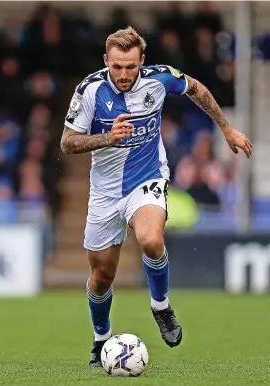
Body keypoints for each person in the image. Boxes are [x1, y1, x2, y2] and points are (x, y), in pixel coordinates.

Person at [60, 26, 252, 367]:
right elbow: (67, 142)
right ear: (106, 61)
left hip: (147, 177)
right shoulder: (89, 90)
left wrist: (226, 128)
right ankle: (101, 338)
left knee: (151, 239)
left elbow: (197, 89)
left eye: (130, 66)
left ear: (142, 61)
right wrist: (106, 139)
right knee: (102, 277)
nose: (123, 74)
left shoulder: (159, 79)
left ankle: (161, 307)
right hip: (104, 193)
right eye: (116, 66)